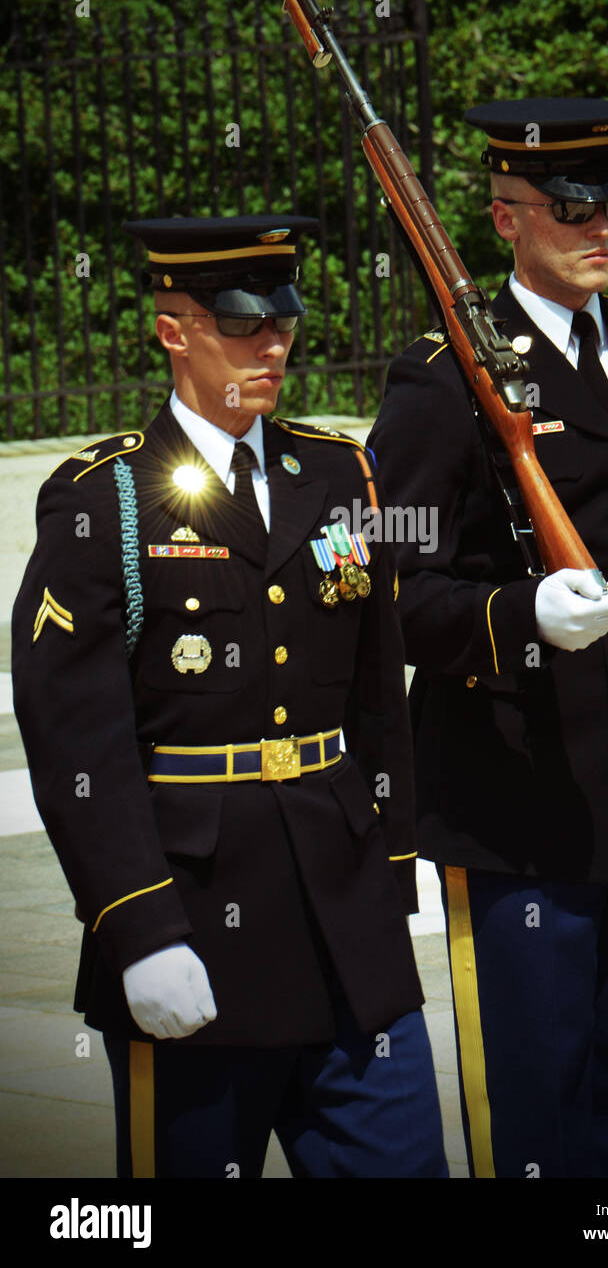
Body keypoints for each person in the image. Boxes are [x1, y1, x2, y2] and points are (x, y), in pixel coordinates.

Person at [12, 214, 447, 1179]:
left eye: (283, 318)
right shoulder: (108, 500)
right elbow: (77, 742)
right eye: (245, 322)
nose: (274, 342)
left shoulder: (340, 474)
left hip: (348, 930)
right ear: (175, 328)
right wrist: (137, 928)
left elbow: (379, 696)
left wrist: (392, 869)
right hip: (195, 925)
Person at [368, 99, 608, 1179]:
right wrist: (513, 615)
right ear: (505, 218)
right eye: (572, 208)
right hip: (519, 800)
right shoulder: (444, 380)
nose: (600, 228)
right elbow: (387, 586)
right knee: (538, 1106)